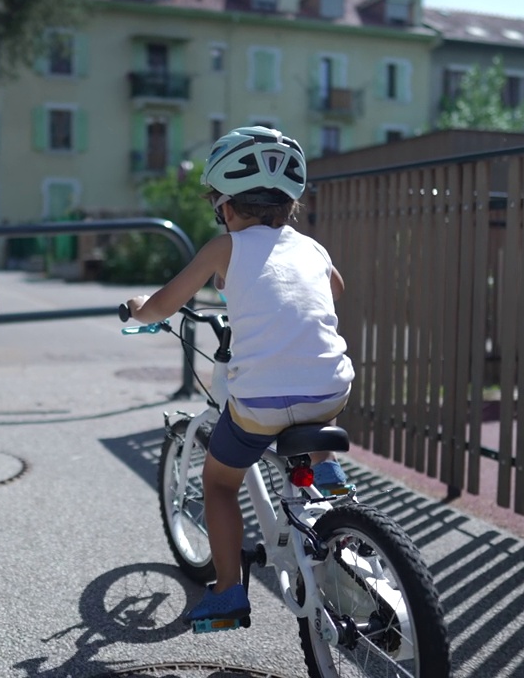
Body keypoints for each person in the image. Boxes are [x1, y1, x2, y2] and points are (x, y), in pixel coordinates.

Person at [125, 126, 355, 629]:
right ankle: (329, 476)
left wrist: (142, 308)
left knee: (220, 481)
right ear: (289, 206)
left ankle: (229, 590)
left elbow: (166, 304)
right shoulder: (312, 249)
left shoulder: (222, 248)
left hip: (261, 403)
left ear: (225, 207)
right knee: (311, 401)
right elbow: (334, 289)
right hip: (331, 389)